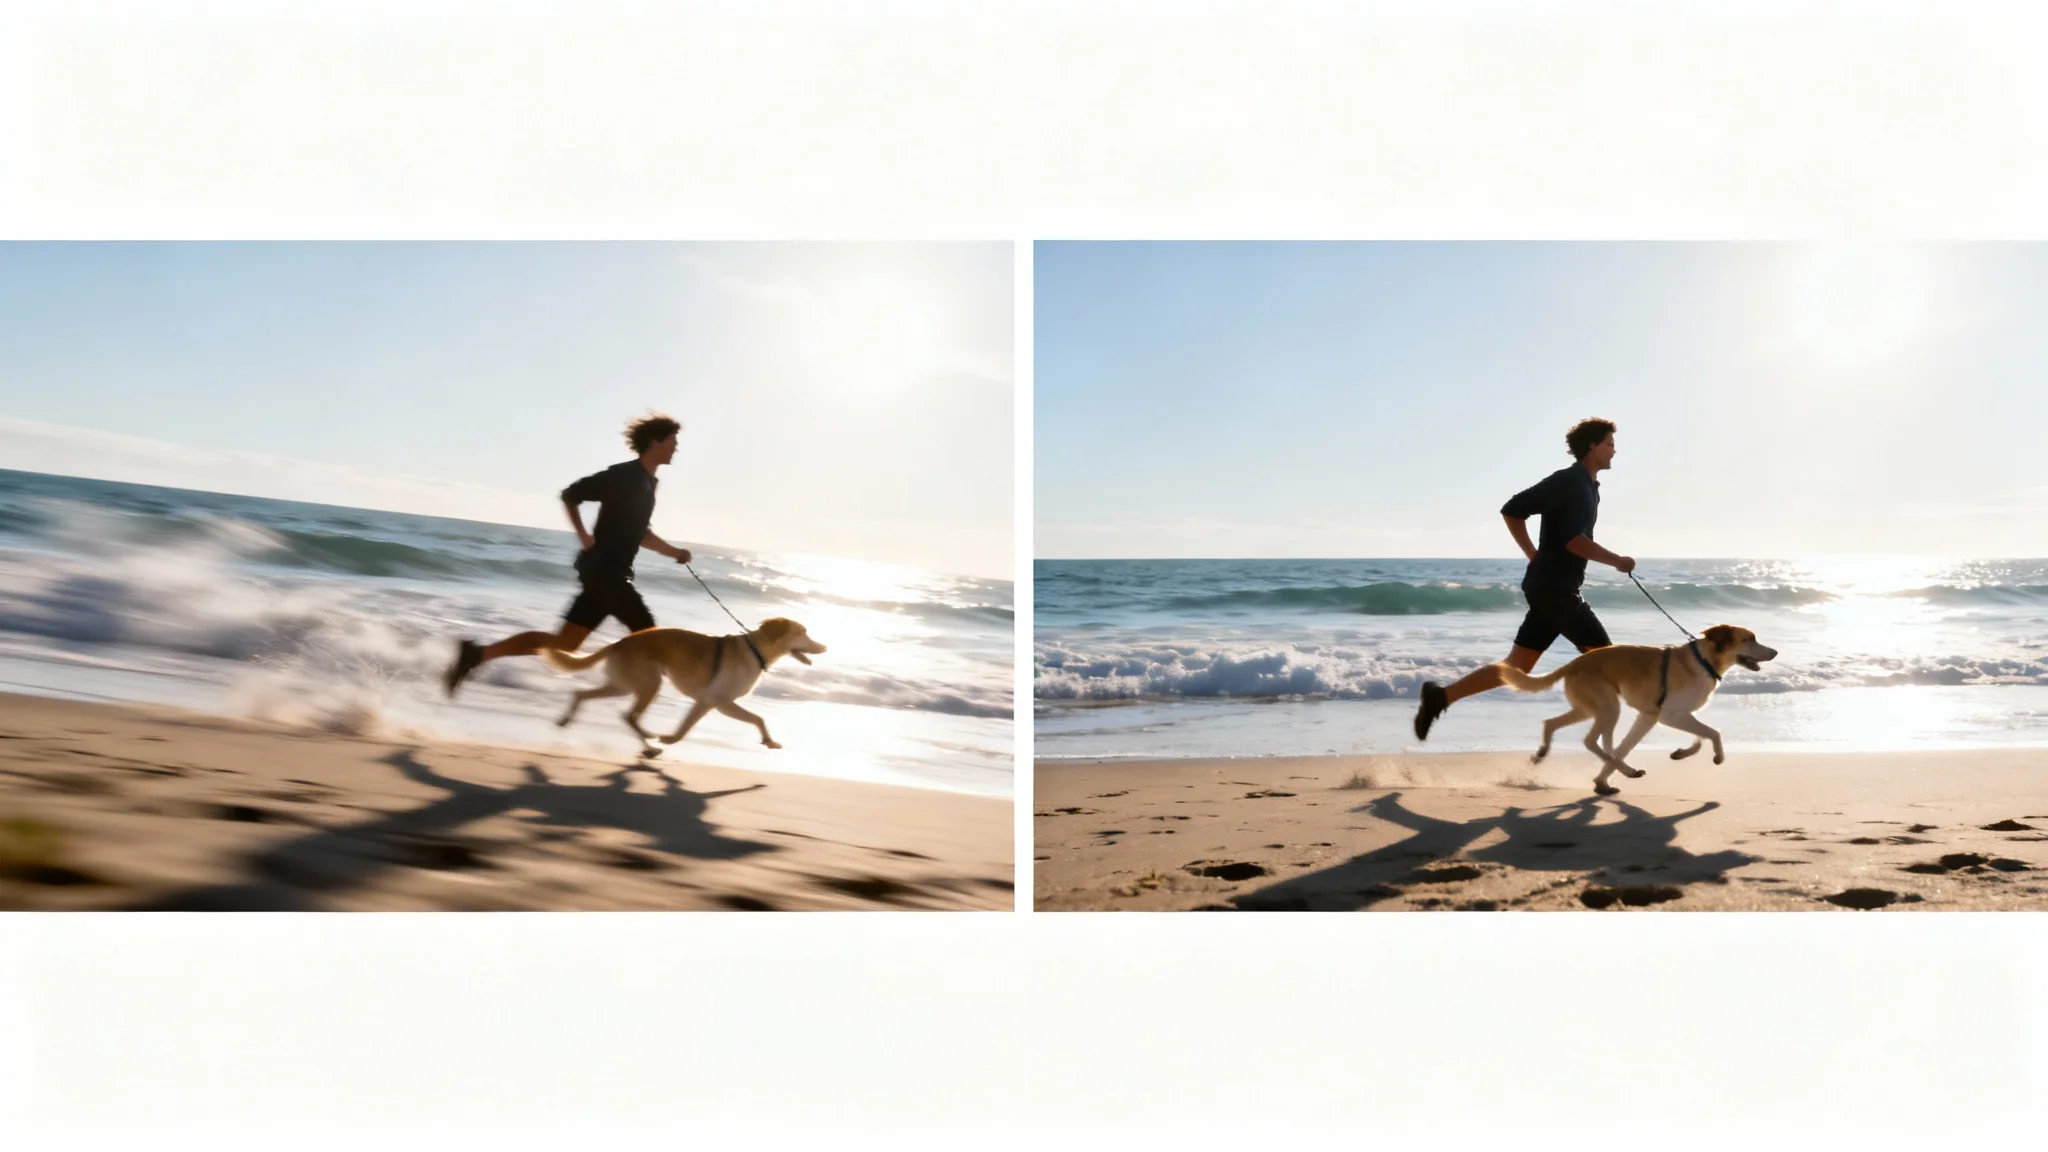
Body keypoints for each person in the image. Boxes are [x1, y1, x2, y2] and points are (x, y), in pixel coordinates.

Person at [1412, 417, 1634, 740]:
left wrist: (1536, 555)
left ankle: (1441, 697)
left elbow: (1529, 518)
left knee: (1517, 667)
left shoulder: (1589, 488)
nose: (1615, 450)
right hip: (1555, 590)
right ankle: (1605, 748)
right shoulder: (1570, 481)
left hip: (1552, 588)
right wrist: (1616, 561)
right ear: (1592, 446)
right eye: (1610, 444)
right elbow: (1543, 524)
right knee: (1608, 661)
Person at [443, 413, 693, 696]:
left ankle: (477, 654)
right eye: (672, 440)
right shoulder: (624, 476)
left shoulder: (648, 483)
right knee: (651, 636)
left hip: (610, 574)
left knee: (565, 644)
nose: (676, 447)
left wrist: (675, 552)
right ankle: (680, 694)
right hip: (606, 572)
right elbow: (571, 495)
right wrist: (584, 536)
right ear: (654, 442)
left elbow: (641, 534)